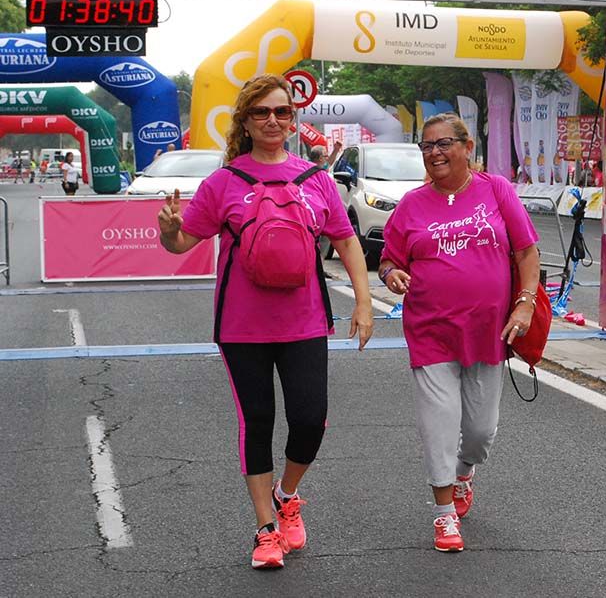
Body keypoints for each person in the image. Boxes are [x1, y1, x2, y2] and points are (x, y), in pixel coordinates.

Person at [156, 74, 374, 571]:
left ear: (293, 120)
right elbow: (182, 244)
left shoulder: (315, 179)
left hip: (305, 321)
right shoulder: (223, 182)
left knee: (309, 420)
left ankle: (286, 494)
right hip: (242, 325)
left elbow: (346, 243)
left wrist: (363, 303)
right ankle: (266, 529)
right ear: (246, 122)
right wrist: (168, 232)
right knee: (257, 422)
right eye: (261, 113)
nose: (272, 120)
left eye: (281, 112)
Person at [378, 113, 541, 554]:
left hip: (489, 330)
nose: (434, 153)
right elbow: (389, 259)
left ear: (468, 147)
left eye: (443, 143)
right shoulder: (411, 204)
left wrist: (524, 303)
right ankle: (444, 513)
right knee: (440, 424)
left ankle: (464, 471)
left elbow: (527, 251)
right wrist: (392, 275)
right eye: (426, 147)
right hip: (430, 330)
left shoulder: (496, 190)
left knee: (481, 431)